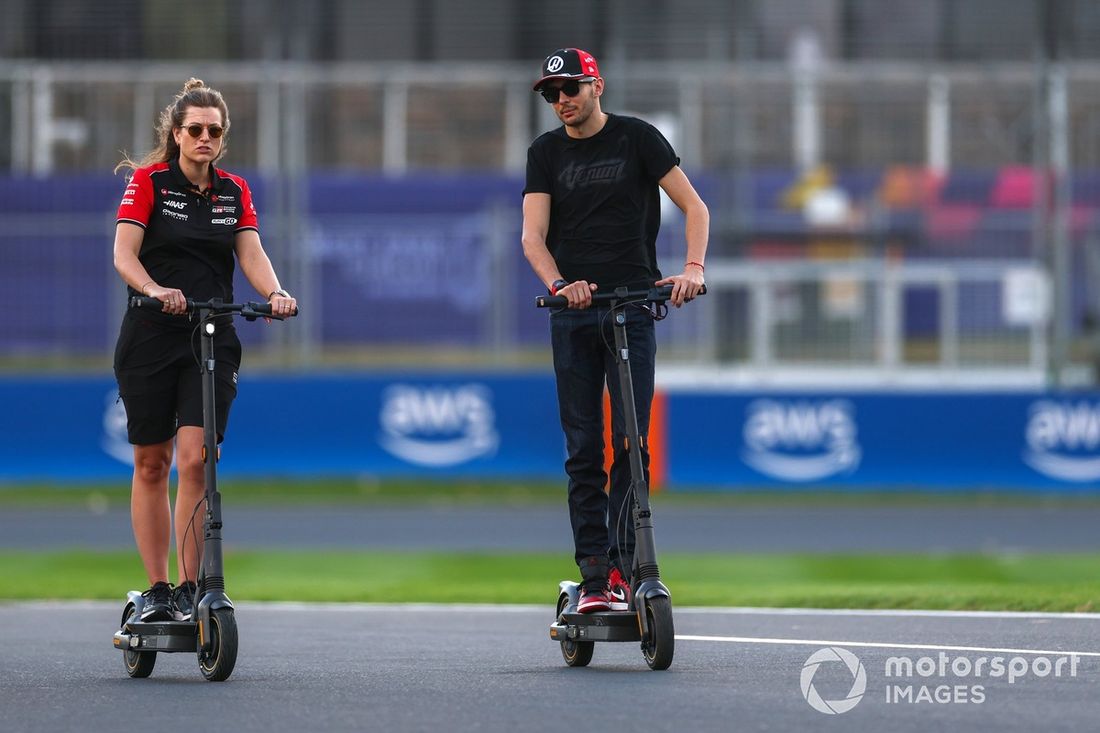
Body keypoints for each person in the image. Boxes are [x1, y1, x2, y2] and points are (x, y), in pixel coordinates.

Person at [521, 49, 709, 613]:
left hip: (632, 303)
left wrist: (693, 270)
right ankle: (595, 577)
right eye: (552, 94)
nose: (561, 101)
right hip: (574, 313)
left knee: (632, 440)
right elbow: (533, 237)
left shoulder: (638, 138)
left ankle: (630, 568)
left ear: (596, 85)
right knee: (584, 446)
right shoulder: (545, 153)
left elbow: (695, 209)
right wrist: (559, 284)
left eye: (570, 88)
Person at [112, 78, 296, 622]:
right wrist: (155, 290)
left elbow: (251, 253)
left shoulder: (233, 191)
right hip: (150, 333)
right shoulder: (148, 182)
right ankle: (160, 589)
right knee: (153, 461)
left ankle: (194, 587)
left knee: (198, 460)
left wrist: (276, 293)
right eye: (195, 129)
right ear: (177, 133)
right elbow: (125, 253)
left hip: (210, 334)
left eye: (214, 131)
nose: (205, 138)